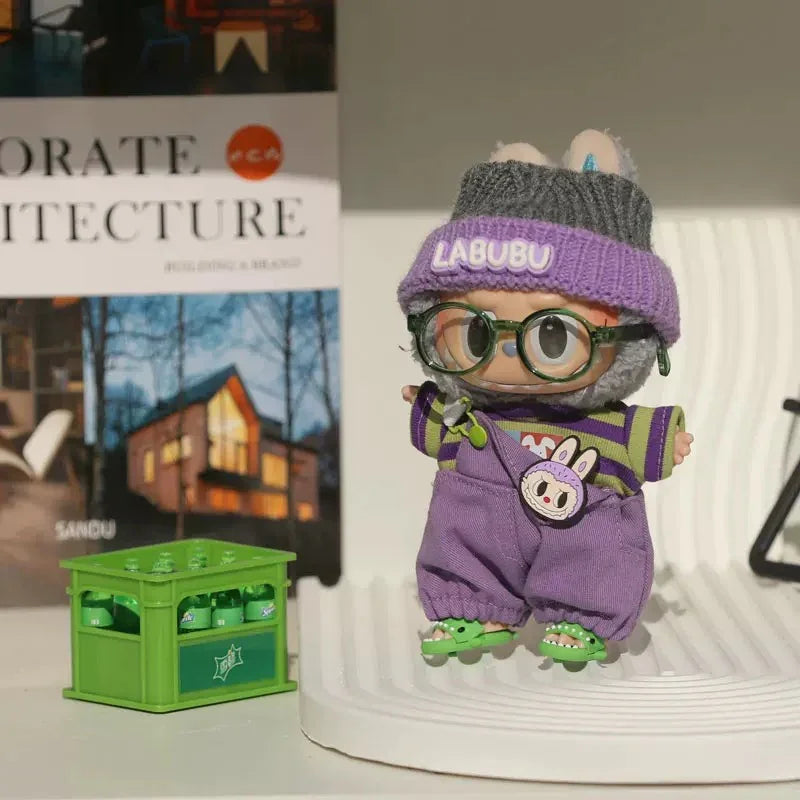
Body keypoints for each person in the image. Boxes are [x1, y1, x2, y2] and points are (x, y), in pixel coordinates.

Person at [398, 129, 693, 662]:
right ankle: (472, 604)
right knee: (462, 541)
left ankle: (584, 615)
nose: (507, 351)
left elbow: (638, 437)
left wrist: (664, 442)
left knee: (594, 551)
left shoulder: (604, 424)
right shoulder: (468, 412)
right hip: (478, 521)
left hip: (578, 523)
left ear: (631, 335)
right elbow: (437, 423)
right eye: (473, 329)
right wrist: (425, 405)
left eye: (552, 334)